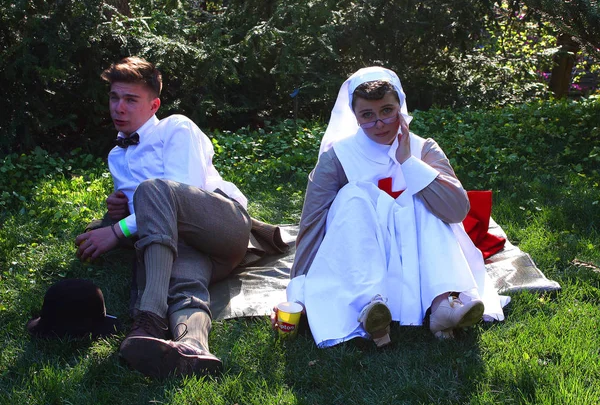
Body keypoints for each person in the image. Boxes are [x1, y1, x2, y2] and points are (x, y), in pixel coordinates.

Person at [75, 57, 286, 378]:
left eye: (131, 100)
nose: (119, 107)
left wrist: (117, 231)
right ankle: (193, 346)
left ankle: (149, 315)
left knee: (152, 190)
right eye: (114, 97)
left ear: (153, 104)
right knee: (183, 282)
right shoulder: (116, 156)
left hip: (223, 226)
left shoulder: (176, 127)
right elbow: (151, 221)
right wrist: (117, 214)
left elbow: (178, 191)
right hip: (182, 245)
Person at [276, 66, 508, 348]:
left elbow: (456, 210)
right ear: (355, 117)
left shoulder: (424, 148)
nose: (380, 124)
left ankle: (443, 303)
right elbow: (312, 222)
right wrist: (296, 292)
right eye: (367, 116)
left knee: (422, 198)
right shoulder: (338, 157)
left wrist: (409, 163)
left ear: (400, 106)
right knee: (354, 195)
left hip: (418, 250)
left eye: (387, 111)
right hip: (364, 249)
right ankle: (370, 307)